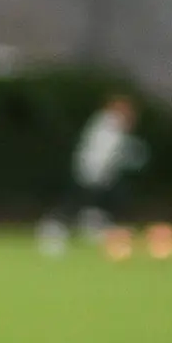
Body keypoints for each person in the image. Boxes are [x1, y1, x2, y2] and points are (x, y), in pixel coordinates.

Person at [71, 92, 146, 236]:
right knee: (84, 200)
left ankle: (98, 226)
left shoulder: (108, 122)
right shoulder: (109, 122)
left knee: (98, 201)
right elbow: (110, 150)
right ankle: (82, 226)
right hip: (94, 169)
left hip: (103, 171)